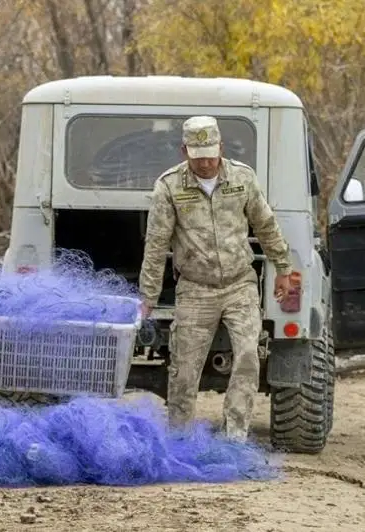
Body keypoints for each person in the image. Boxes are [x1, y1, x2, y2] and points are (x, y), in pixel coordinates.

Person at [139, 115, 293, 442]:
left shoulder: (242, 178)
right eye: (198, 157)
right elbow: (155, 245)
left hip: (240, 284)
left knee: (249, 357)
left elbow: (266, 225)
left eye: (211, 154)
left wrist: (283, 268)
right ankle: (179, 439)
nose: (206, 163)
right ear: (184, 151)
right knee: (184, 368)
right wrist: (148, 296)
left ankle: (234, 435)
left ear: (221, 147)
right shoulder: (169, 187)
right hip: (195, 289)